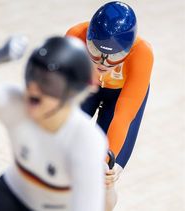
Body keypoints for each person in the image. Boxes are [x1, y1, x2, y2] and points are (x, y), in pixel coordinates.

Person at [0, 35, 108, 211]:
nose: (33, 87)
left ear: (73, 93)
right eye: (32, 74)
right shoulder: (16, 104)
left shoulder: (86, 140)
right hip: (7, 198)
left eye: (48, 83)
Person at [66, 1, 154, 210]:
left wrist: (107, 164)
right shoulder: (74, 36)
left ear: (129, 49)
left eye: (114, 56)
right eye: (95, 51)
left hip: (121, 97)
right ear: (86, 38)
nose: (102, 63)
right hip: (86, 88)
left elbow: (123, 117)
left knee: (103, 177)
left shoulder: (142, 54)